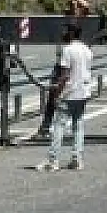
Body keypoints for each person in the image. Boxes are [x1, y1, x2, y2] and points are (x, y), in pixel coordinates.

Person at [38, 21, 93, 172]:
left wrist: (57, 93)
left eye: (65, 31)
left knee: (58, 126)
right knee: (78, 125)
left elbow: (64, 75)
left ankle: (53, 160)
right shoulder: (87, 50)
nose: (63, 34)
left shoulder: (68, 50)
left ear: (71, 33)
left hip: (69, 93)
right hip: (83, 92)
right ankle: (77, 159)